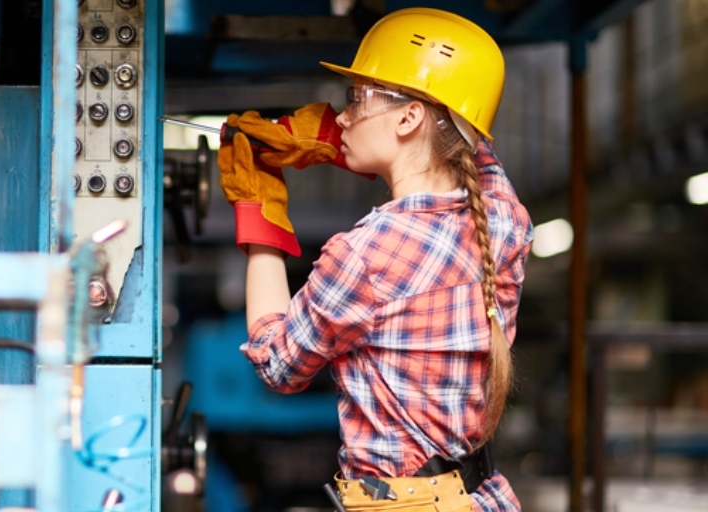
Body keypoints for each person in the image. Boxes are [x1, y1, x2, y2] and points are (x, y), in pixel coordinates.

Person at [216, 7, 534, 512]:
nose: (341, 115)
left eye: (355, 99)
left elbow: (279, 365)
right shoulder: (503, 219)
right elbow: (469, 152)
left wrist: (259, 210)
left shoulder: (367, 252)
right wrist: (337, 140)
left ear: (409, 117)